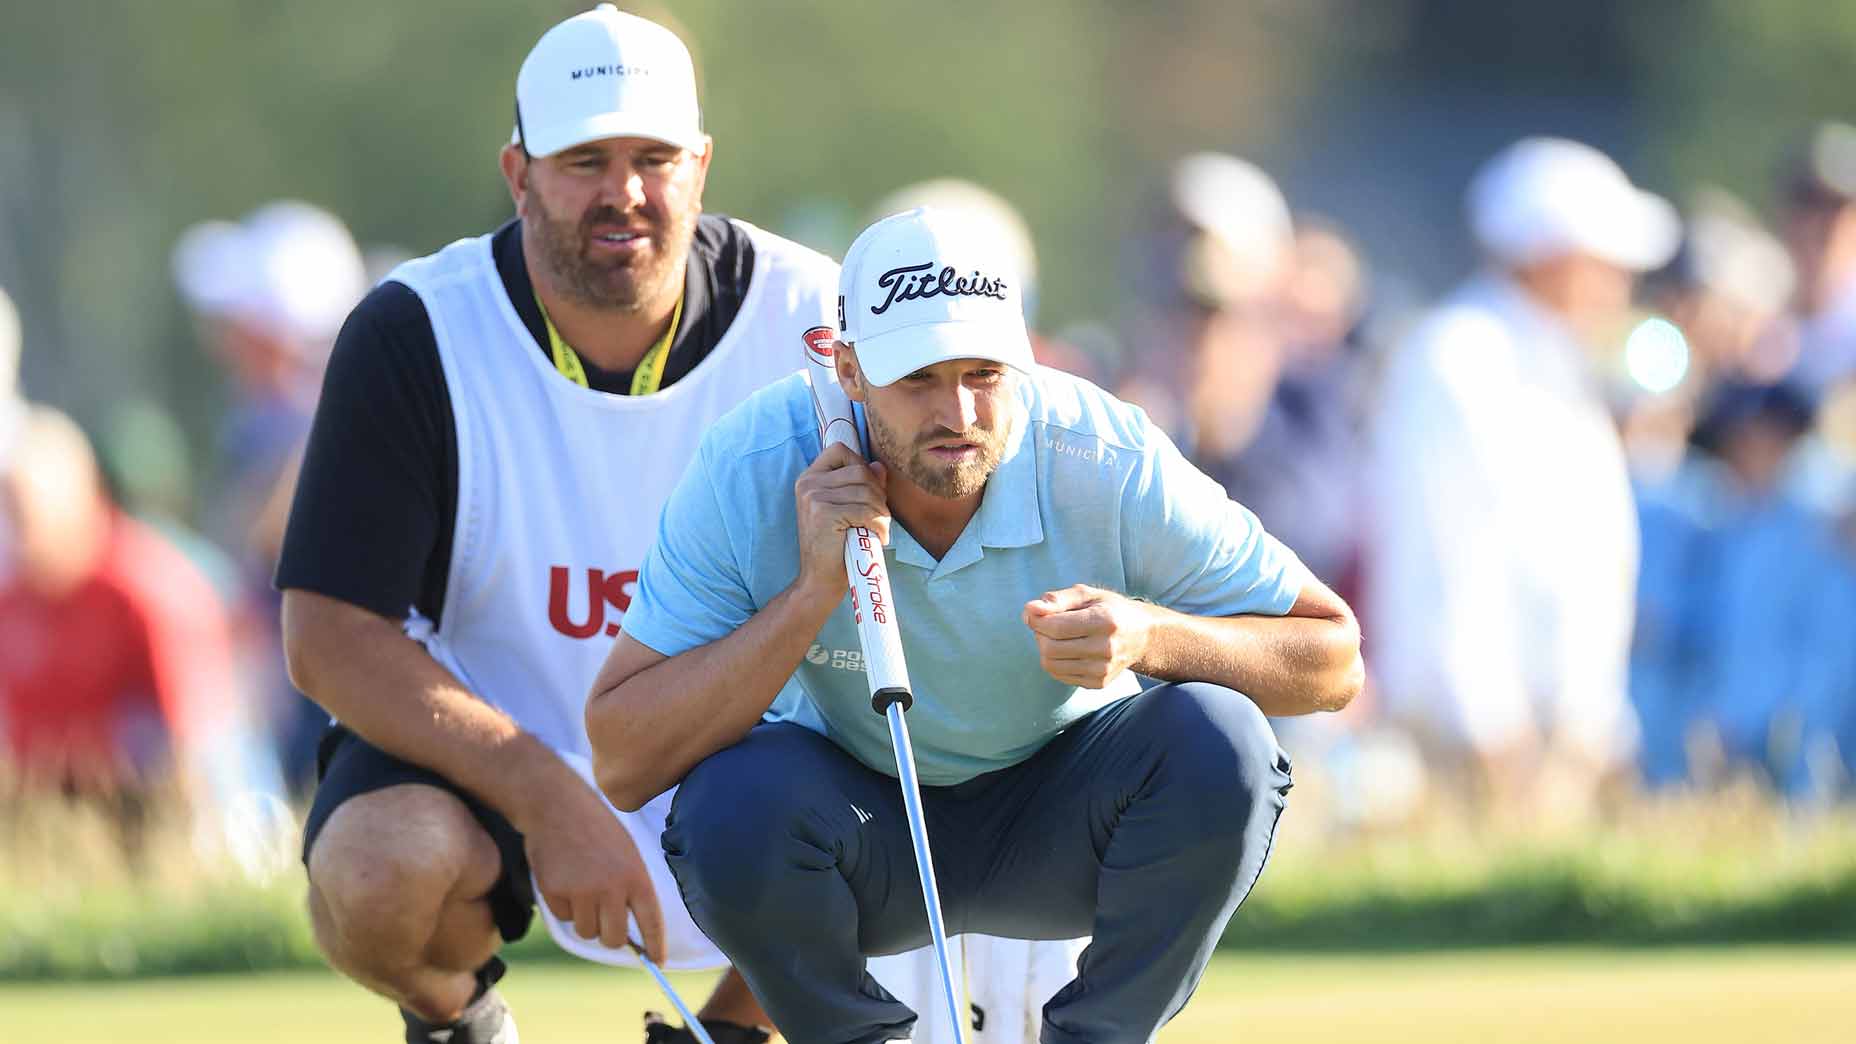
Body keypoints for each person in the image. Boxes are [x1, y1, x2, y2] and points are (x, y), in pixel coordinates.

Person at [277, 8, 1059, 1044]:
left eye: (651, 157)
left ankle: (733, 1028)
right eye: (583, 160)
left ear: (699, 164)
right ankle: (462, 1024)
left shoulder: (817, 320)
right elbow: (328, 636)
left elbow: (939, 589)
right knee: (372, 870)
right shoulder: (413, 330)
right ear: (518, 173)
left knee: (939, 748)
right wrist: (548, 795)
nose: (623, 193)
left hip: (750, 756)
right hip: (495, 757)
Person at [587, 207, 1364, 1043]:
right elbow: (625, 758)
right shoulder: (754, 463)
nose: (957, 412)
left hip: (1064, 823)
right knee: (731, 804)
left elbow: (1334, 658)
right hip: (858, 833)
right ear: (846, 369)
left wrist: (1151, 636)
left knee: (1222, 739)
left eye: (984, 373)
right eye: (917, 377)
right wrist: (810, 592)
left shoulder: (1102, 453)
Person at [1364, 137, 1675, 813]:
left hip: (1556, 738)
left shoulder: (1552, 359)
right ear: (1549, 256)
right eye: (1606, 260)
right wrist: (1487, 722)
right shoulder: (1458, 358)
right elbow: (1447, 550)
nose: (1621, 280)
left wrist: (1595, 721)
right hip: (1486, 744)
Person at [0, 406, 244, 863]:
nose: (19, 530)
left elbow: (202, 743)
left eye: (25, 509)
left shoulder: (151, 587)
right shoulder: (12, 601)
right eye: (8, 509)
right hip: (40, 817)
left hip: (146, 812)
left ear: (82, 497)